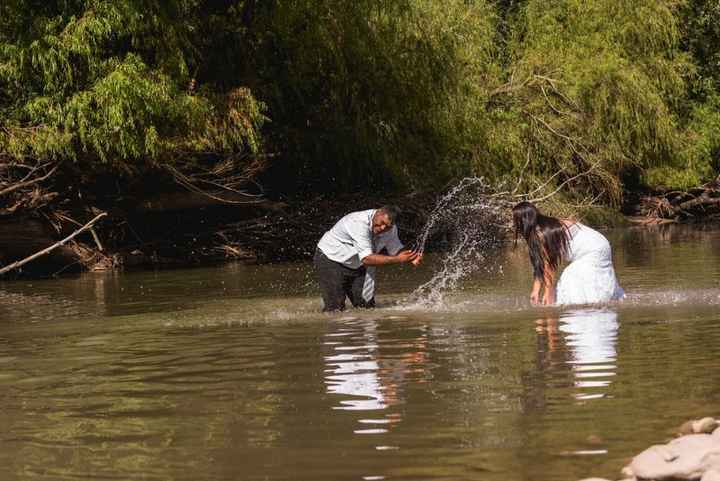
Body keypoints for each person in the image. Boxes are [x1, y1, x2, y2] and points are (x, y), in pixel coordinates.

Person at [512, 201, 624, 306]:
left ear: (524, 220)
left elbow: (548, 267)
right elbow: (539, 265)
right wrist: (535, 291)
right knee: (579, 286)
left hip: (593, 248)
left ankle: (589, 312)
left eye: (516, 220)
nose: (514, 224)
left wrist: (548, 294)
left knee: (570, 279)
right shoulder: (543, 229)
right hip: (599, 243)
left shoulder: (543, 233)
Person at [315, 206, 422, 311]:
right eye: (382, 223)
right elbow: (367, 258)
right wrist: (398, 259)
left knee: (367, 307)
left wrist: (411, 257)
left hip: (357, 264)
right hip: (331, 258)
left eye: (388, 226)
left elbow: (396, 249)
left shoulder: (391, 229)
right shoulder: (358, 222)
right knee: (335, 308)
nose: (383, 228)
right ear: (378, 212)